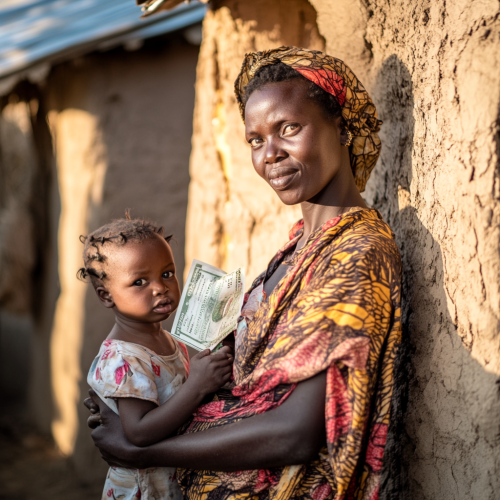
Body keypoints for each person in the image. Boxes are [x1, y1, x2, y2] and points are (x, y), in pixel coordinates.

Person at [85, 47, 402, 500]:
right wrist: (128, 395)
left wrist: (144, 452)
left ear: (342, 125)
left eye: (289, 128)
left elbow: (295, 432)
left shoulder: (354, 255)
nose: (270, 154)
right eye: (255, 140)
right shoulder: (299, 246)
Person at [79, 215, 233, 500]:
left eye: (167, 274)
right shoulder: (123, 358)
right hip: (145, 489)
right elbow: (139, 432)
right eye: (139, 281)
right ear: (106, 296)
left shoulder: (170, 341)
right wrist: (198, 385)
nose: (160, 287)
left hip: (172, 478)